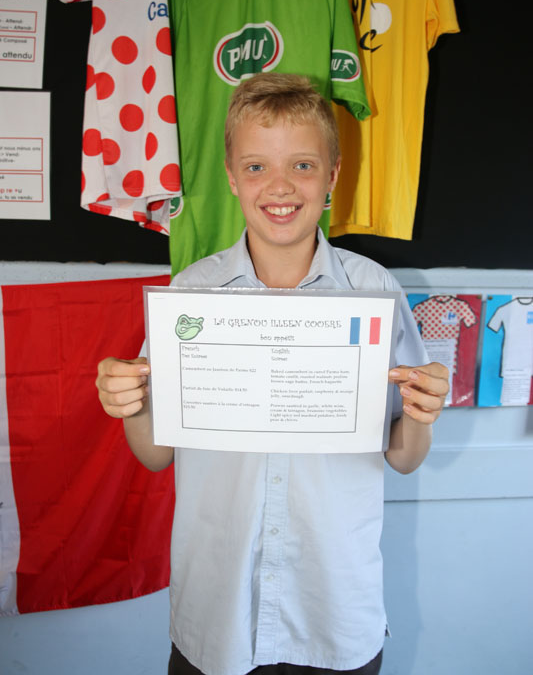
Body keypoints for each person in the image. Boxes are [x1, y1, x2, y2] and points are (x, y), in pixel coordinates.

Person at [96, 73, 448, 675]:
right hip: (218, 612)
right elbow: (154, 455)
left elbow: (404, 457)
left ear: (333, 176)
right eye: (256, 167)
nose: (280, 186)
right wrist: (131, 401)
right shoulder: (193, 292)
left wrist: (421, 413)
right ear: (232, 176)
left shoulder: (374, 290)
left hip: (332, 609)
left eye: (302, 165)